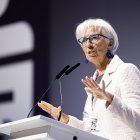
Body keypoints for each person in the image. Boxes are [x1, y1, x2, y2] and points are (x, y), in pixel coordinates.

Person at [38, 18, 140, 139]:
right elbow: (91, 130)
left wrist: (110, 99)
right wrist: (65, 119)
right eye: (83, 40)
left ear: (110, 43)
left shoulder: (125, 70)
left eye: (95, 37)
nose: (89, 45)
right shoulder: (94, 78)